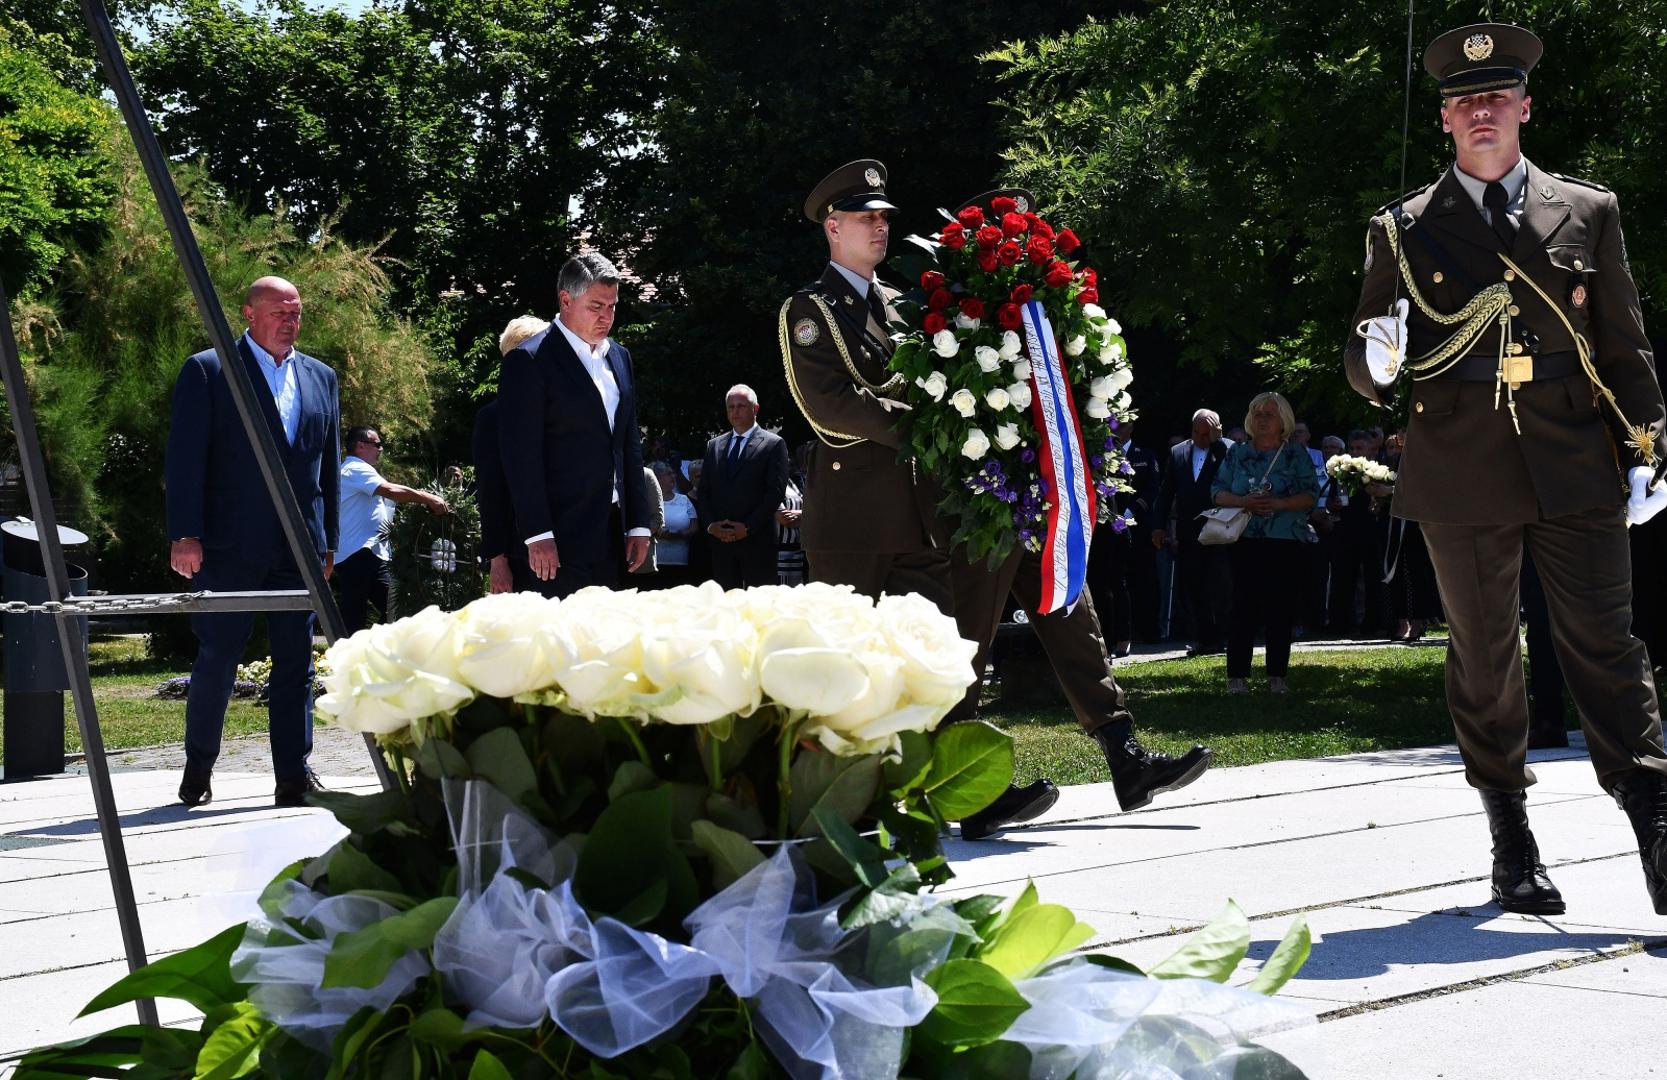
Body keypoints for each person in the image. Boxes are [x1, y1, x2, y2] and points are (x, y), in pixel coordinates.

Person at [1345, 22, 1667, 916]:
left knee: (1606, 644)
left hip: (1572, 452)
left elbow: (1623, 340)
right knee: (1485, 657)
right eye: (1463, 101)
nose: (1480, 112)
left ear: (1523, 108)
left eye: (1496, 98)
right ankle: (1510, 839)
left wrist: (1646, 445)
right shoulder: (1402, 229)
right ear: (1445, 120)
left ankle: (1655, 821)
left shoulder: (1586, 210)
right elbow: (1367, 357)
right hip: (1459, 461)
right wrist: (1373, 356)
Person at [938, 189, 1212, 841]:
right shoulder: (955, 317)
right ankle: (965, 789)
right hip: (981, 498)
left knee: (1073, 619)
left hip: (1036, 500)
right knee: (964, 647)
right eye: (1016, 230)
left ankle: (1127, 762)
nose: (1028, 240)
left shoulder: (1046, 317)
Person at [164, 276, 339, 809]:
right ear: (248, 314)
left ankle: (293, 772)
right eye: (279, 311)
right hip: (228, 544)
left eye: (297, 312)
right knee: (218, 653)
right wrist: (185, 533)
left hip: (299, 548)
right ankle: (199, 765)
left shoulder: (321, 377)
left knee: (297, 663)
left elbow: (325, 464)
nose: (290, 321)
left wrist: (328, 539)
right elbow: (186, 458)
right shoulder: (211, 370)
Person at [779, 159, 952, 606]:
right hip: (851, 519)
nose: (880, 227)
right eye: (866, 218)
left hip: (917, 515)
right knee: (847, 664)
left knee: (926, 663)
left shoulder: (901, 304)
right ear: (833, 228)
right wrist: (920, 429)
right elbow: (830, 404)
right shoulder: (810, 309)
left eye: (883, 218)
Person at [498, 253, 651, 597]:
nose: (606, 317)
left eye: (612, 306)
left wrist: (639, 522)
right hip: (557, 536)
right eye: (596, 306)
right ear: (565, 300)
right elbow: (521, 457)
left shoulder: (620, 357)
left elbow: (629, 443)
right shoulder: (529, 361)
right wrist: (538, 534)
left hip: (612, 530)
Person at [1210, 392, 1320, 694]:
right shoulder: (1237, 453)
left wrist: (1280, 504)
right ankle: (1236, 677)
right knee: (1242, 606)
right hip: (1244, 539)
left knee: (1280, 607)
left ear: (1283, 420)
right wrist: (1244, 502)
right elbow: (1217, 491)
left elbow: (1312, 494)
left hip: (1285, 540)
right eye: (1257, 413)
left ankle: (1276, 677)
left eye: (1269, 414)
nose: (1261, 419)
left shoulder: (1295, 454)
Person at [335, 426, 450, 632]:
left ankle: (375, 649)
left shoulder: (363, 472)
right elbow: (392, 491)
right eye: (377, 444)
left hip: (370, 554)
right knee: (355, 619)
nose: (381, 449)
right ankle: (347, 660)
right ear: (360, 446)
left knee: (395, 609)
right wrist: (428, 498)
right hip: (357, 555)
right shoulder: (354, 469)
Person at [1152, 409, 1232, 656]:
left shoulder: (1228, 449)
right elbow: (1167, 492)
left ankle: (1225, 637)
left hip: (1220, 528)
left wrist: (1217, 441)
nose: (1201, 438)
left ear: (1217, 430)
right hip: (1188, 530)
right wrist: (1158, 525)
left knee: (1221, 584)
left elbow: (1233, 472)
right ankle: (1204, 639)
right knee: (1193, 586)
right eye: (1196, 433)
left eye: (1206, 433)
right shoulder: (1178, 452)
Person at [697, 384, 790, 588]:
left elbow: (774, 493)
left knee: (760, 608)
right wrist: (712, 525)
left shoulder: (773, 444)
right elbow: (704, 492)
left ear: (755, 409)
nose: (735, 411)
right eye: (731, 407)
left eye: (741, 406)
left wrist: (747, 527)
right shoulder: (714, 446)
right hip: (721, 543)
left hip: (758, 542)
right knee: (726, 607)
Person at [1328, 429, 1388, 638]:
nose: (1355, 452)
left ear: (1370, 450)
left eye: (1359, 448)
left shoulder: (1379, 470)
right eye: (1352, 448)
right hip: (1346, 528)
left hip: (1371, 529)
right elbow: (1331, 498)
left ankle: (1374, 623)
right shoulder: (1341, 471)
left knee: (1373, 577)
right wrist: (1332, 504)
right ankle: (1341, 623)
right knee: (1343, 577)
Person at [650, 462, 698, 587]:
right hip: (654, 562)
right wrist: (658, 533)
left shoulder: (684, 500)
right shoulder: (648, 501)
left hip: (681, 561)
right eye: (669, 474)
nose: (674, 476)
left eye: (673, 473)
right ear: (657, 478)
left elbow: (694, 527)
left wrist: (682, 534)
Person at [775, 442, 810, 586]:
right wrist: (807, 516)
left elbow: (809, 511)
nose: (788, 461)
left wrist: (802, 516)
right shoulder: (770, 484)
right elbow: (784, 518)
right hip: (779, 553)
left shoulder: (791, 482)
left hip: (797, 551)